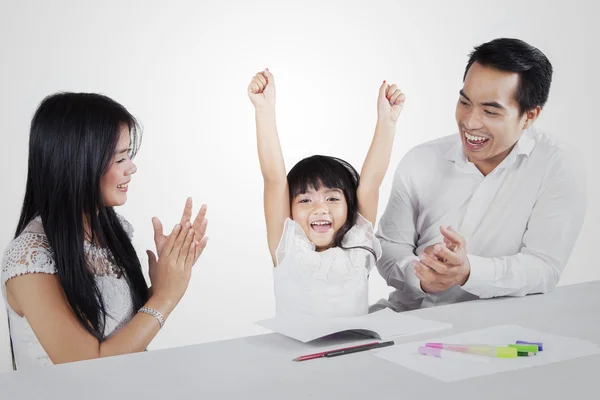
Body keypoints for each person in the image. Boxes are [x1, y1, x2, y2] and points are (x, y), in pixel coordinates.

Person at [375, 38, 586, 312]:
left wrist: (468, 272)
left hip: (499, 330)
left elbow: (544, 268)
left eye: (490, 111)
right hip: (408, 318)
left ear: (530, 116)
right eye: (465, 102)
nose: (470, 122)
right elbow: (388, 248)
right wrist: (421, 275)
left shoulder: (557, 165)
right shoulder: (421, 160)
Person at [1, 92, 209, 369]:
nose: (132, 168)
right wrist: (166, 296)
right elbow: (86, 366)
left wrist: (167, 277)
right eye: (120, 159)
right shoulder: (29, 258)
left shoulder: (110, 229)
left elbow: (118, 333)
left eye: (129, 156)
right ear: (78, 162)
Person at [247, 69, 405, 317]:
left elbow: (371, 183)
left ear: (349, 206)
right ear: (289, 209)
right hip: (295, 355)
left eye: (332, 198)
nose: (320, 208)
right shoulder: (287, 247)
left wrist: (388, 121)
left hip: (352, 352)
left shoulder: (358, 248)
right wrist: (264, 109)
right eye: (306, 200)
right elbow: (274, 179)